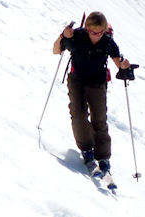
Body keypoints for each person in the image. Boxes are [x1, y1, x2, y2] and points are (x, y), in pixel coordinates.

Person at [53, 11, 131, 176]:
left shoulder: (108, 42)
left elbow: (118, 63)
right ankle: (87, 150)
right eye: (94, 32)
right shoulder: (78, 36)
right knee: (78, 114)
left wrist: (125, 66)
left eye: (101, 32)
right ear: (87, 29)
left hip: (97, 83)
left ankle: (103, 157)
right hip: (77, 80)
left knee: (99, 119)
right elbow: (56, 50)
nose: (97, 35)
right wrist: (63, 36)